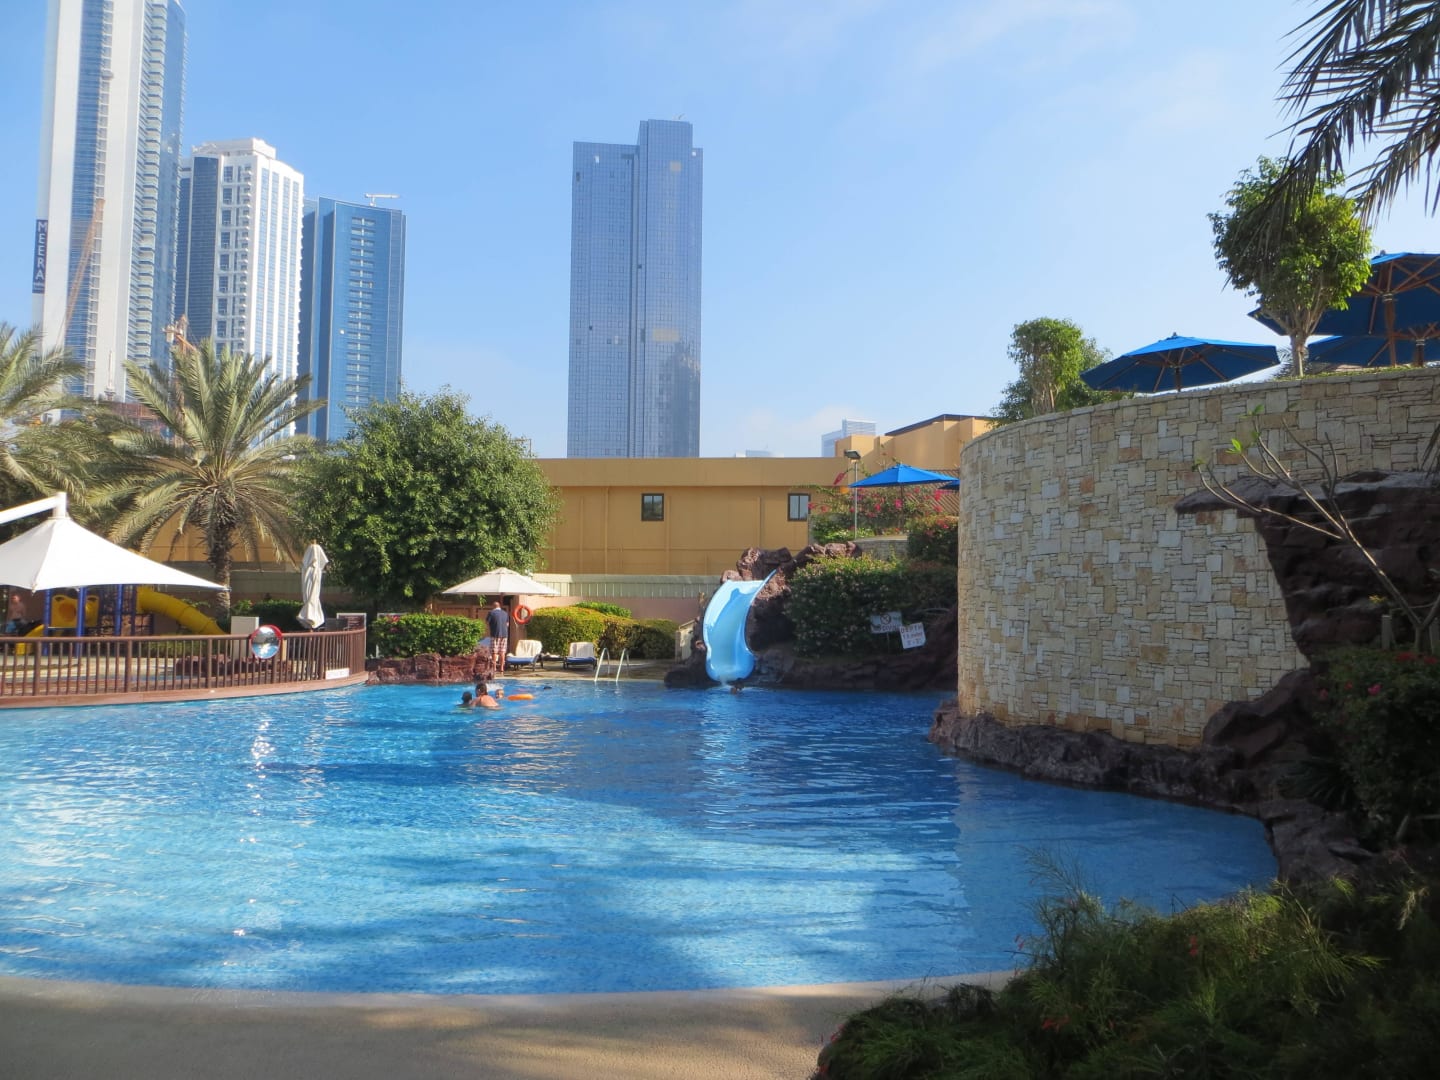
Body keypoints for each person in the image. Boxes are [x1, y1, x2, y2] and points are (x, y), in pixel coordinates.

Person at [486, 600, 509, 670]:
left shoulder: (491, 613)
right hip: (504, 635)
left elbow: (487, 622)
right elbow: (507, 624)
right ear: (499, 606)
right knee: (502, 651)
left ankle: (494, 668)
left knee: (494, 652)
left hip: (495, 634)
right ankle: (501, 668)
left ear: (493, 606)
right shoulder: (505, 613)